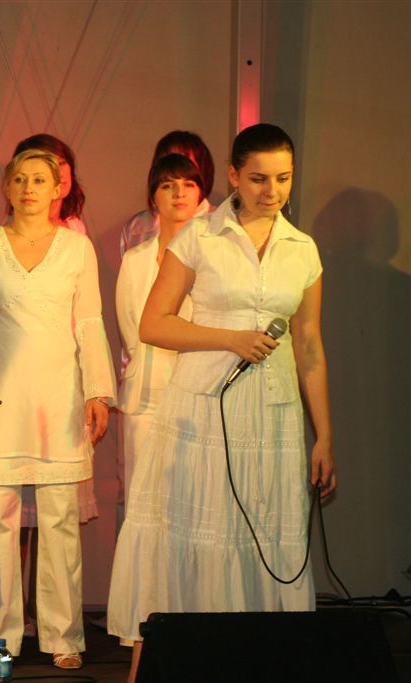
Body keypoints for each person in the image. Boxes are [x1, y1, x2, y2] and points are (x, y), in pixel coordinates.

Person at [107, 123, 336, 683]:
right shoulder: (199, 237)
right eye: (258, 178)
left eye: (282, 178)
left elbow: (309, 347)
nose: (271, 190)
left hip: (274, 419)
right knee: (198, 535)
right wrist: (229, 337)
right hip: (203, 410)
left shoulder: (302, 249)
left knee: (263, 538)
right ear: (233, 176)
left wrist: (324, 435)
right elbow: (153, 324)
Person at [0, 149, 116, 670]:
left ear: (58, 189)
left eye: (40, 180)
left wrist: (98, 392)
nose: (29, 188)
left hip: (59, 399)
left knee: (59, 526)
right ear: (5, 187)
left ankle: (63, 638)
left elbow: (90, 323)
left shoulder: (77, 248)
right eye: (19, 179)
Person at [115, 153, 207, 513]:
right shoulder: (135, 260)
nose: (178, 193)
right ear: (153, 197)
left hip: (194, 393)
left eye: (188, 185)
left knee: (191, 503)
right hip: (145, 396)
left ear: (200, 195)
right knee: (142, 505)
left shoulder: (210, 260)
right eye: (167, 186)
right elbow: (130, 327)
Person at [119, 130, 216, 256]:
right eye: (168, 162)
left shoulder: (220, 224)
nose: (175, 169)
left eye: (183, 163)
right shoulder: (136, 228)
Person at [12, 134, 88, 237]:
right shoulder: (17, 231)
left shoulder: (75, 225)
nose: (60, 173)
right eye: (50, 165)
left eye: (62, 163)